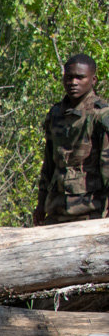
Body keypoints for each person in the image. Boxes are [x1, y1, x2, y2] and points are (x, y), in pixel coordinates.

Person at [34, 53, 109, 225]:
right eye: (69, 77)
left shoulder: (100, 115)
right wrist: (40, 205)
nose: (73, 82)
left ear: (93, 80)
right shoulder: (56, 113)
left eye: (80, 77)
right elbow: (49, 164)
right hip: (56, 209)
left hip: (90, 211)